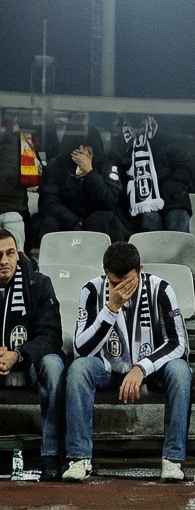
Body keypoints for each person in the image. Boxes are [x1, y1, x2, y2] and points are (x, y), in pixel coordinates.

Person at [64, 241, 191, 482]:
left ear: (140, 270)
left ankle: (173, 459)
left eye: (127, 282)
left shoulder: (161, 289)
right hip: (107, 368)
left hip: (151, 370)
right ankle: (79, 458)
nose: (121, 289)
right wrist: (111, 308)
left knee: (181, 371)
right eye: (114, 283)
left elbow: (179, 344)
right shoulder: (91, 290)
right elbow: (81, 348)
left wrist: (142, 367)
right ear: (105, 275)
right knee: (78, 369)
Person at [0, 229, 67, 480]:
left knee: (53, 365)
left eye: (10, 253)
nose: (4, 261)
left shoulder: (38, 283)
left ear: (18, 254)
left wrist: (18, 354)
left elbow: (51, 336)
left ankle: (51, 454)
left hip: (28, 359)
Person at [36, 124, 128, 242]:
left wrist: (90, 172)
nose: (81, 150)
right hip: (67, 222)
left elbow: (110, 203)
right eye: (76, 146)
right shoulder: (56, 165)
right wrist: (74, 222)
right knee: (48, 222)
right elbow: (48, 202)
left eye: (86, 146)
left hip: (99, 225)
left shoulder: (106, 165)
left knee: (102, 218)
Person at [115, 117, 195, 234]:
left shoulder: (165, 138)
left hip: (173, 198)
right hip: (139, 200)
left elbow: (186, 167)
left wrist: (165, 189)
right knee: (149, 219)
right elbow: (117, 169)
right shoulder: (122, 142)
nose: (140, 125)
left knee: (178, 221)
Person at [1, 120, 31, 252]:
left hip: (15, 209)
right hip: (16, 209)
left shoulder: (23, 142)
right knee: (17, 258)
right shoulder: (23, 143)